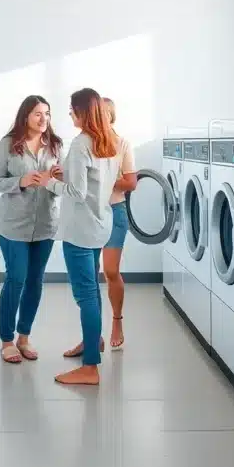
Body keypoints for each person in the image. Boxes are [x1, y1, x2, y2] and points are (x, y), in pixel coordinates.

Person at [41, 88, 120, 386]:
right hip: (100, 225)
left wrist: (50, 182)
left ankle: (90, 368)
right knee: (93, 289)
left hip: (80, 231)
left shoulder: (80, 144)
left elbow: (75, 192)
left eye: (72, 110)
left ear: (83, 113)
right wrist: (67, 176)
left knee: (85, 294)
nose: (70, 115)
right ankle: (93, 342)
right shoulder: (109, 141)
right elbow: (94, 183)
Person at [0, 95, 63, 364]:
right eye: (37, 114)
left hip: (45, 224)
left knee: (35, 280)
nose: (44, 119)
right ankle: (7, 340)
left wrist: (60, 178)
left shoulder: (55, 145)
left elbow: (63, 178)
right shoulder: (9, 145)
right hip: (13, 225)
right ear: (25, 117)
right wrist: (20, 181)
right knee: (16, 278)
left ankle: (24, 337)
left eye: (48, 114)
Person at [63, 96, 137, 356]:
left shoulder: (119, 143)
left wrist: (100, 182)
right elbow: (82, 181)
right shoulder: (90, 143)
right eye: (98, 112)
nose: (101, 116)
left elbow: (131, 182)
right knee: (90, 282)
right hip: (94, 214)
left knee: (110, 272)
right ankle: (93, 340)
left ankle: (116, 323)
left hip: (112, 211)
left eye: (105, 112)